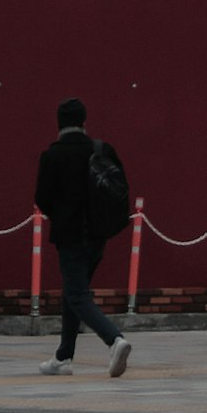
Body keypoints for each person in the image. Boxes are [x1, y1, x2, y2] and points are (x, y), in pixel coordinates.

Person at [30, 96, 132, 378]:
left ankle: (114, 340)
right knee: (74, 293)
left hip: (70, 236)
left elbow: (42, 197)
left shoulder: (53, 155)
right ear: (84, 122)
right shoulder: (100, 149)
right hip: (99, 235)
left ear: (59, 124)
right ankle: (64, 356)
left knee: (76, 294)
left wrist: (61, 216)